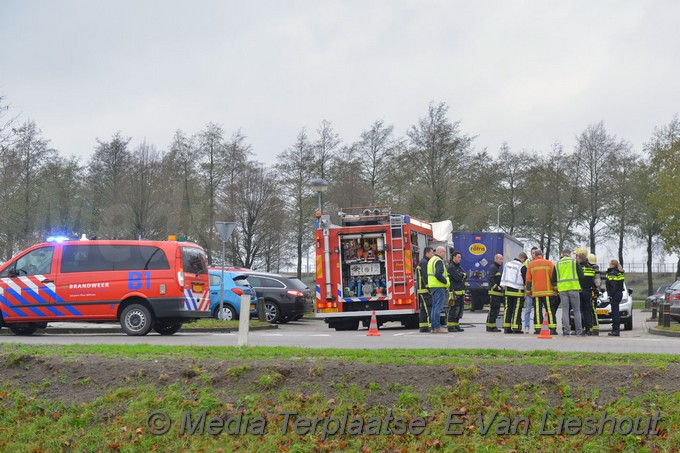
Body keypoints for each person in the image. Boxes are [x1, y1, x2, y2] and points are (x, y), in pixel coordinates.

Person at [552, 248, 585, 336]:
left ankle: (566, 332)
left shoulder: (557, 263)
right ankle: (579, 331)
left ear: (562, 254)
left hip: (562, 290)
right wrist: (581, 286)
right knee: (576, 310)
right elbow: (581, 276)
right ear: (569, 254)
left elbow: (553, 279)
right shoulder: (574, 262)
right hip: (574, 288)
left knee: (565, 310)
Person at [526, 249, 557, 334]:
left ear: (535, 255)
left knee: (537, 310)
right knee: (550, 310)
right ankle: (553, 328)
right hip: (548, 291)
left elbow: (528, 279)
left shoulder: (531, 265)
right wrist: (555, 289)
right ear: (542, 255)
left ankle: (538, 329)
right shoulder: (549, 263)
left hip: (536, 293)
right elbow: (553, 277)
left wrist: (528, 291)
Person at [501, 252, 528, 333]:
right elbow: (525, 280)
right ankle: (516, 327)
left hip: (508, 290)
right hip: (518, 290)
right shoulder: (522, 267)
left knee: (507, 308)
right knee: (517, 309)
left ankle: (506, 327)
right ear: (522, 259)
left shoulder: (507, 264)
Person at [427, 246, 449, 334]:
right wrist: (446, 282)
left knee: (434, 308)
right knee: (438, 308)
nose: (445, 254)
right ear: (440, 252)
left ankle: (433, 327)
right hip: (439, 286)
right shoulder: (439, 261)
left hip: (433, 286)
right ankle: (437, 327)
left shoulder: (431, 260)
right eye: (444, 252)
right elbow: (438, 274)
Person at [577, 251, 597, 335]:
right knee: (588, 310)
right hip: (588, 291)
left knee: (580, 310)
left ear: (580, 259)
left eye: (577, 258)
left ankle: (583, 328)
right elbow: (594, 281)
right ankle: (589, 328)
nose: (576, 260)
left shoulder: (578, 268)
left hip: (580, 291)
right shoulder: (591, 268)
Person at [446, 251, 466, 332]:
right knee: (454, 309)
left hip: (460, 291)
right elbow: (458, 277)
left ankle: (456, 325)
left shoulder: (458, 267)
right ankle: (451, 326)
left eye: (460, 257)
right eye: (458, 257)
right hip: (454, 292)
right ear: (454, 257)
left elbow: (465, 274)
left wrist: (462, 275)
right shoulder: (451, 267)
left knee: (459, 310)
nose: (460, 259)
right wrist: (462, 275)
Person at [416, 247, 434, 333]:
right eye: (432, 253)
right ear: (427, 253)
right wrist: (429, 287)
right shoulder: (424, 263)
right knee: (429, 307)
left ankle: (423, 327)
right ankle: (432, 326)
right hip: (424, 289)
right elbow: (425, 277)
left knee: (423, 308)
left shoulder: (424, 262)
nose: (433, 255)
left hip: (422, 289)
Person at [605, 259, 625, 336]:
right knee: (616, 312)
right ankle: (616, 329)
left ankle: (616, 330)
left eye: (610, 264)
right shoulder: (620, 273)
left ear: (613, 265)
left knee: (615, 313)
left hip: (615, 294)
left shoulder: (613, 273)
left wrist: (610, 294)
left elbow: (613, 285)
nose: (609, 265)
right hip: (619, 293)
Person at [486, 254, 504, 332]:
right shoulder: (493, 268)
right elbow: (491, 279)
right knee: (493, 310)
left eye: (502, 259)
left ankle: (493, 326)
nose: (501, 261)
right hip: (494, 293)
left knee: (496, 310)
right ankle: (490, 326)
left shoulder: (496, 268)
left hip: (497, 293)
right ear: (496, 259)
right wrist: (497, 287)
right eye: (500, 259)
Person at [523, 247, 538, 333]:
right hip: (529, 288)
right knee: (528, 309)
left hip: (537, 289)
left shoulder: (539, 262)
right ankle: (527, 326)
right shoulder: (527, 263)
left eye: (535, 252)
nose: (534, 254)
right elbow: (526, 277)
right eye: (533, 253)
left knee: (537, 309)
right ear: (530, 254)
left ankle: (537, 326)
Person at [588, 253, 601, 335]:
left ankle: (594, 328)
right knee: (592, 310)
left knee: (592, 310)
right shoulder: (596, 269)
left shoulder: (592, 269)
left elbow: (596, 283)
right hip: (594, 292)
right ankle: (594, 328)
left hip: (592, 292)